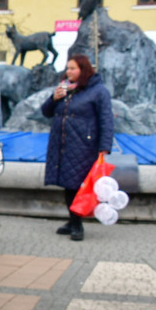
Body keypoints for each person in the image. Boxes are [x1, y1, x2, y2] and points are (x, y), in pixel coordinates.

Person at [41, 54, 113, 241]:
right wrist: (54, 98)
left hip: (83, 145)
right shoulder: (66, 89)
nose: (68, 71)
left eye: (73, 68)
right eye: (67, 68)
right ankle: (73, 220)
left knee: (77, 184)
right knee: (67, 183)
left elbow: (106, 120)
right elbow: (46, 112)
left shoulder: (98, 91)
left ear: (83, 70)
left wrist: (104, 146)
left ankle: (77, 224)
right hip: (62, 144)